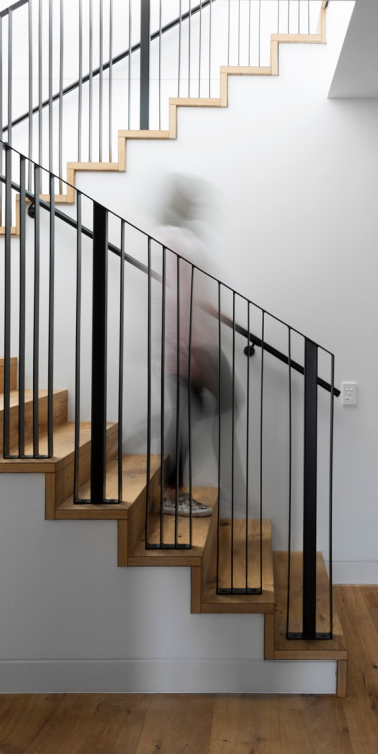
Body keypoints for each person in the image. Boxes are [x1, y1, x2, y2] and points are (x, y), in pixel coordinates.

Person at [157, 173, 243, 518]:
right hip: (190, 346)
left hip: (192, 342)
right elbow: (176, 299)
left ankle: (174, 488)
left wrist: (216, 314)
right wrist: (190, 351)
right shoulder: (175, 239)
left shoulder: (180, 238)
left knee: (196, 412)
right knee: (208, 407)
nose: (194, 204)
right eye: (188, 199)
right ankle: (171, 493)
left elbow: (189, 294)